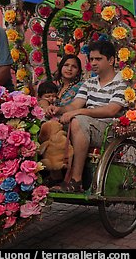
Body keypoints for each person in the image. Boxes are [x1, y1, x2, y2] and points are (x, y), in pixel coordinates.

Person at [46, 40, 129, 192]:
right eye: (91, 59)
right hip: (86, 126)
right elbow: (75, 105)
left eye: (98, 59)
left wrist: (79, 112)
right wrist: (58, 110)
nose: (93, 63)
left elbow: (111, 110)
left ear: (110, 60)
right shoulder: (89, 83)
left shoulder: (122, 83)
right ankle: (54, 173)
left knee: (78, 120)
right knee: (50, 125)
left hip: (108, 130)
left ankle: (76, 180)